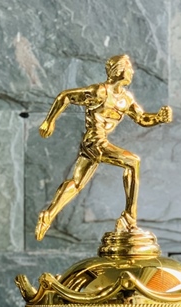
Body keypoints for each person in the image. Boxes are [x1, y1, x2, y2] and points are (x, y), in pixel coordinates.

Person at [35, 54, 173, 240]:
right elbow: (65, 96)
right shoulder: (99, 92)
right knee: (132, 162)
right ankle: (129, 217)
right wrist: (49, 121)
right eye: (129, 68)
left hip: (97, 144)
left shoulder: (125, 99)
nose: (132, 72)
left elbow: (142, 118)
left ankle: (48, 215)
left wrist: (158, 118)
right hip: (94, 141)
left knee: (77, 183)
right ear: (118, 71)